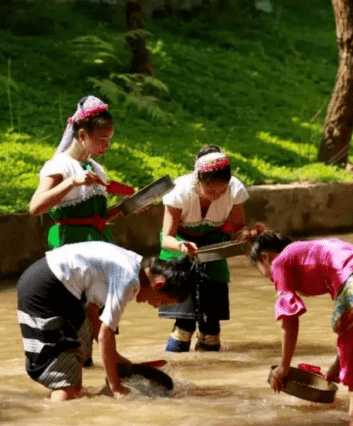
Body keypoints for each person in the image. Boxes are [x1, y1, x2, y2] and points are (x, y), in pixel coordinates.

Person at [246, 226, 353, 419]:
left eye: (267, 275)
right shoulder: (314, 251)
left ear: (266, 258)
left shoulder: (279, 261)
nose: (272, 280)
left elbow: (290, 318)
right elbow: (351, 322)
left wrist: (284, 367)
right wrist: (338, 365)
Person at [16, 242, 194, 401]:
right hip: (46, 289)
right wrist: (116, 387)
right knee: (66, 387)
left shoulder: (132, 265)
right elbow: (105, 335)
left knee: (76, 358)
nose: (156, 307)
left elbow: (92, 310)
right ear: (159, 285)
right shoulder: (128, 280)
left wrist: (114, 357)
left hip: (55, 287)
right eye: (162, 302)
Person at [159, 146, 248, 352]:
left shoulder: (235, 190)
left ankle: (210, 359)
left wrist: (247, 237)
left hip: (213, 244)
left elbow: (239, 229)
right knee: (185, 322)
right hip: (179, 243)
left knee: (211, 325)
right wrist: (183, 246)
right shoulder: (179, 191)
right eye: (210, 191)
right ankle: (177, 354)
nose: (216, 196)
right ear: (197, 181)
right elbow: (167, 238)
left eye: (222, 190)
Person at [30, 94, 135, 249]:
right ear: (82, 135)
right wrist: (71, 182)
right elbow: (35, 207)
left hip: (98, 241)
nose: (107, 145)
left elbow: (98, 219)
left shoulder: (96, 169)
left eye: (109, 140)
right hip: (70, 245)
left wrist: (127, 205)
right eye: (102, 139)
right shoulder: (59, 166)